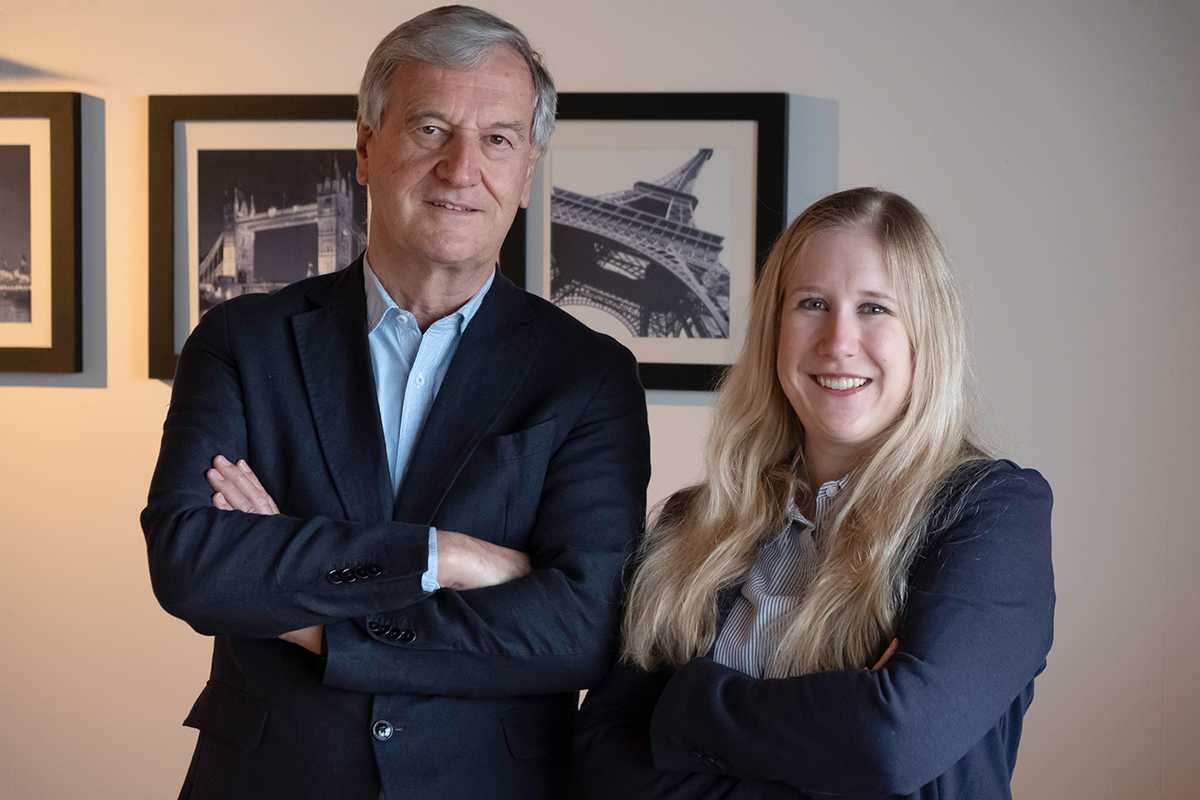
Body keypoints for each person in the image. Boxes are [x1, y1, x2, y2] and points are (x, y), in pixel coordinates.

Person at [141, 6, 650, 799]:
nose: (459, 169)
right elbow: (193, 564)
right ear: (366, 148)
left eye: (497, 139)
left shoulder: (590, 376)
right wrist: (443, 557)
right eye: (429, 129)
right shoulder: (242, 341)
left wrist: (304, 609)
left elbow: (578, 631)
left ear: (527, 170)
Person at [575, 188, 1054, 799]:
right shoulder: (694, 522)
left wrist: (683, 705)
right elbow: (598, 763)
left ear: (924, 336)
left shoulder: (991, 513)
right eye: (811, 303)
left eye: (875, 309)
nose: (838, 341)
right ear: (775, 328)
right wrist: (833, 737)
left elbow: (890, 744)